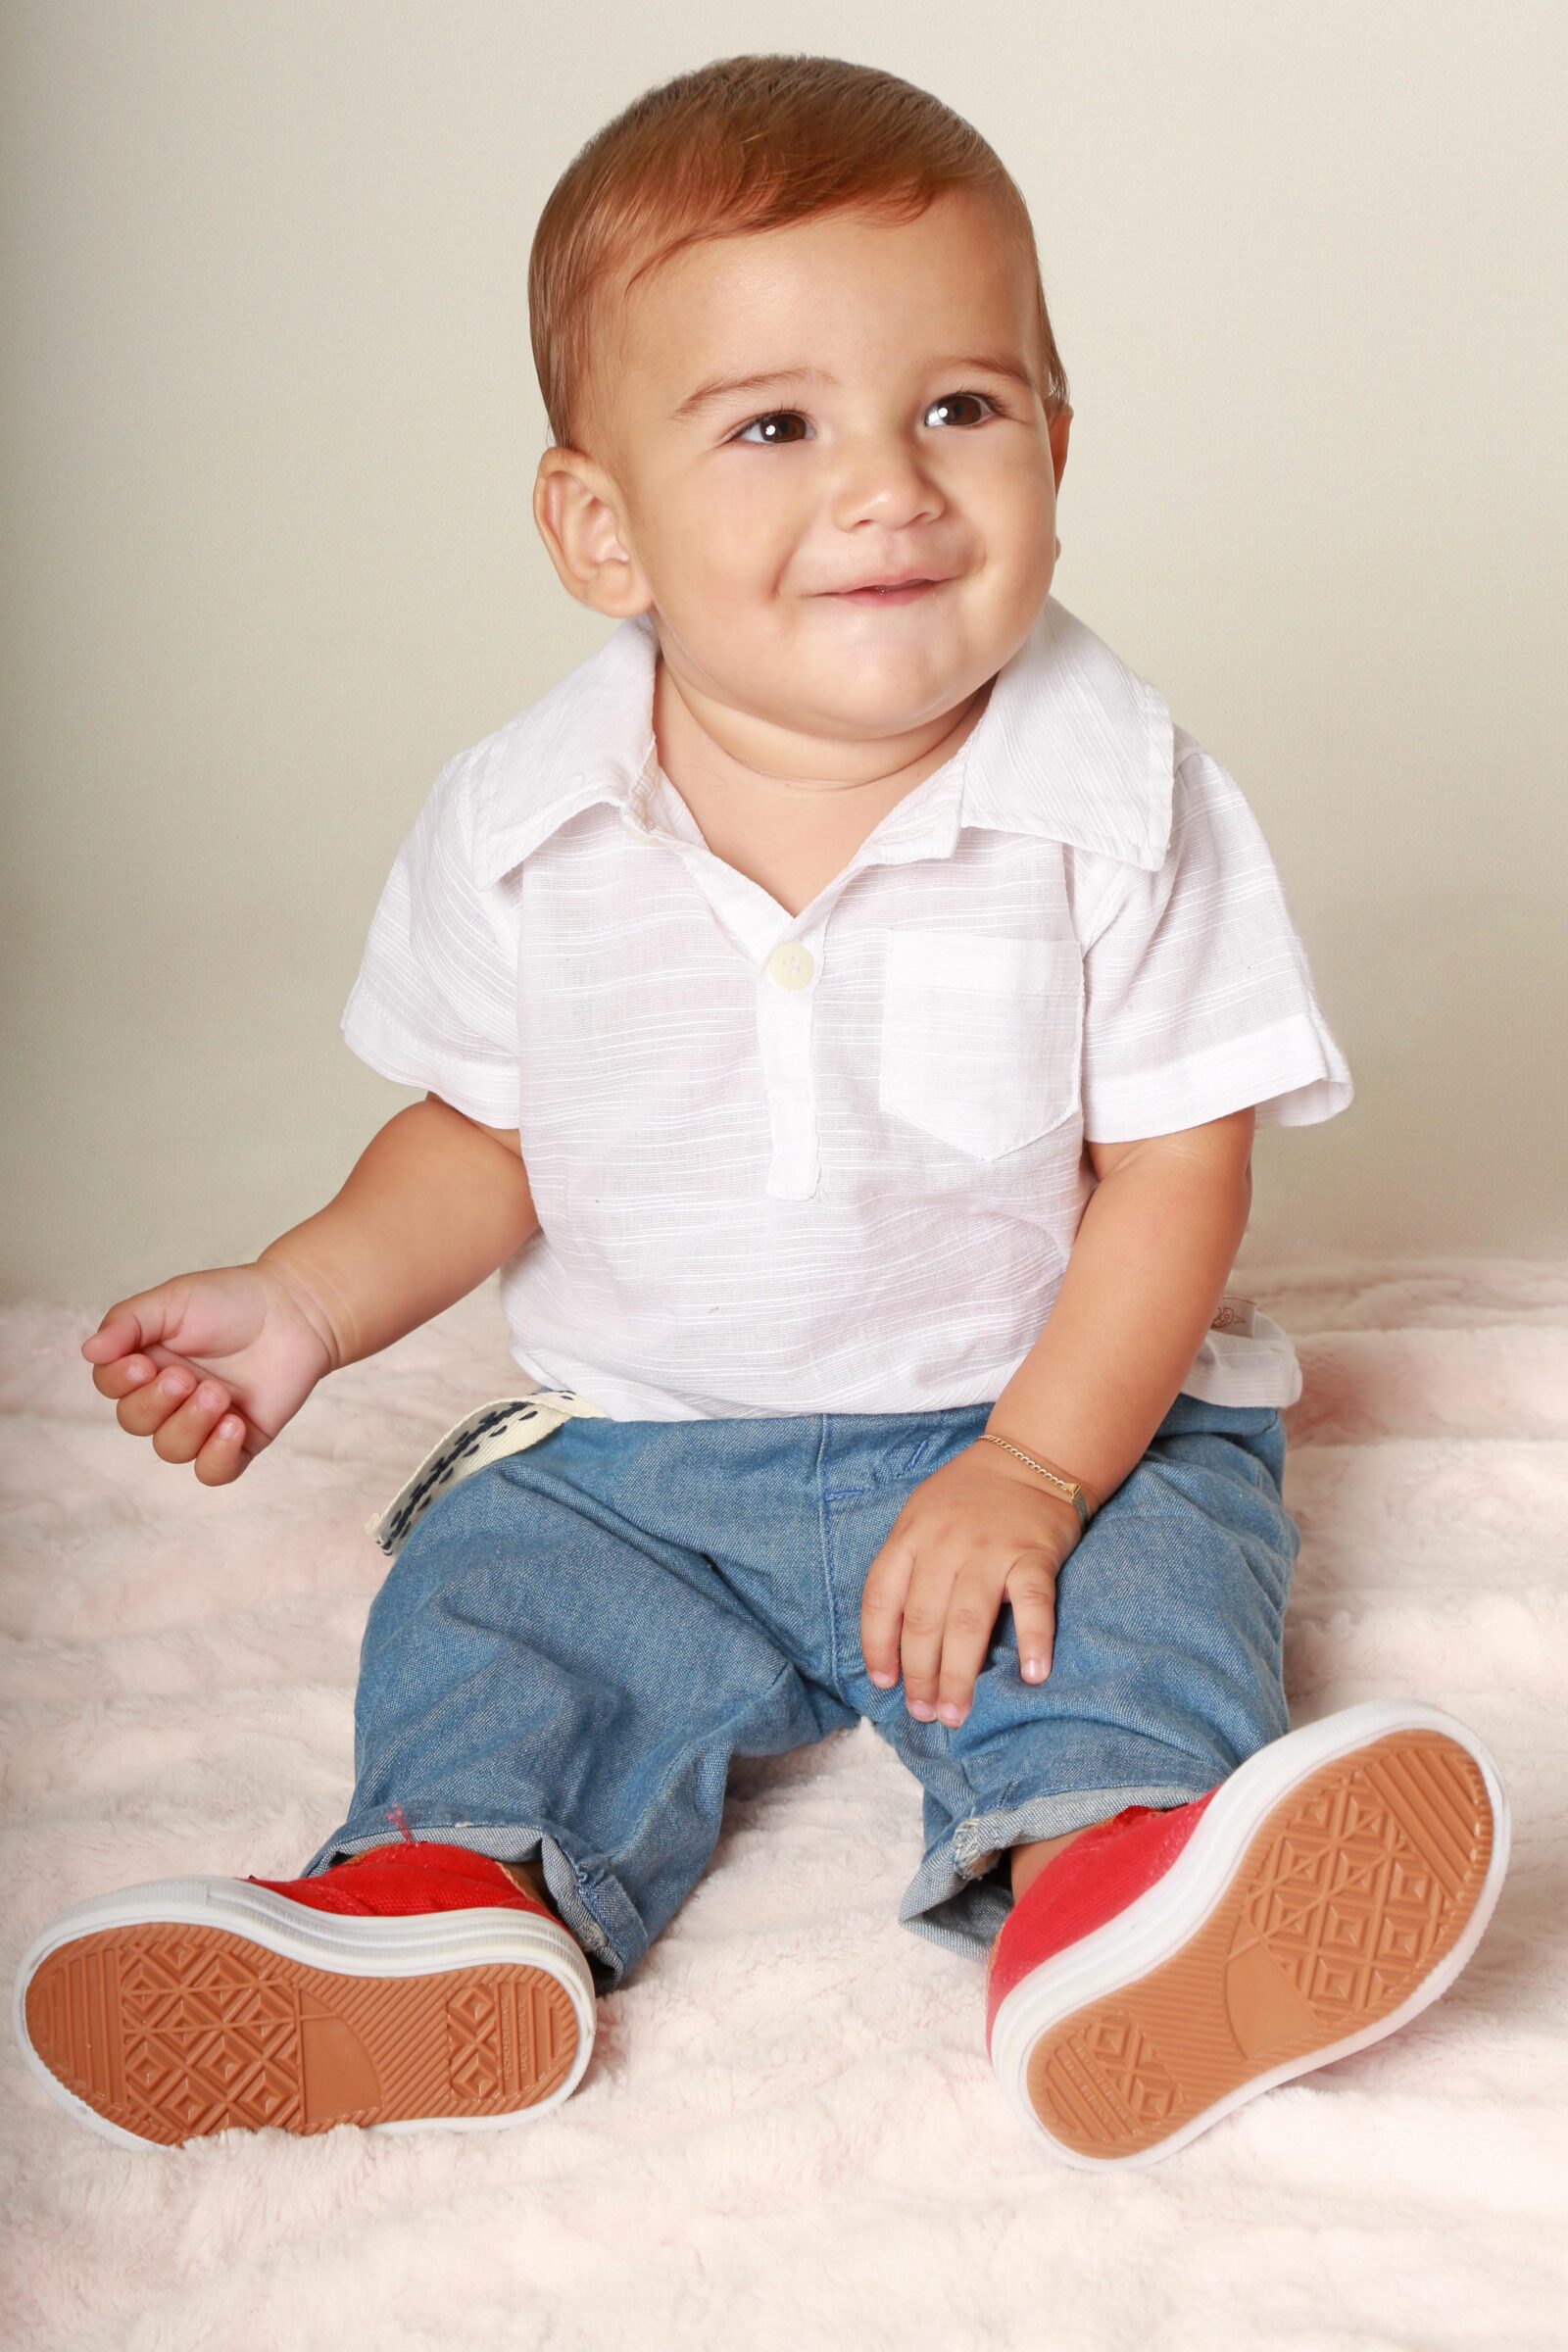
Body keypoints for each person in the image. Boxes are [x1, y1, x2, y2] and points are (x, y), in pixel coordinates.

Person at [13, 53, 1509, 2171]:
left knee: (1155, 1570)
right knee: (498, 1601)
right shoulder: (523, 826)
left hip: (1032, 1409)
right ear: (597, 527)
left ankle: (1119, 1890)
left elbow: (1176, 1168)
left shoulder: (1119, 799)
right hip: (646, 1456)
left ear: (1058, 444)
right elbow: (487, 1135)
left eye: (960, 407)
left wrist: (1033, 1464)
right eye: (776, 427)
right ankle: (449, 1896)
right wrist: (304, 1299)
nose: (889, 487)